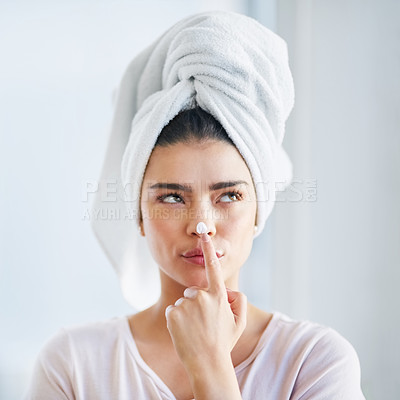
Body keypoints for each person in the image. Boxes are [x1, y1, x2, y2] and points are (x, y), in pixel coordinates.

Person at [24, 11, 365, 400]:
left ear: (258, 209)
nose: (202, 225)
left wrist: (210, 365)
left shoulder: (315, 363)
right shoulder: (73, 366)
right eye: (171, 197)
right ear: (138, 213)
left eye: (229, 196)